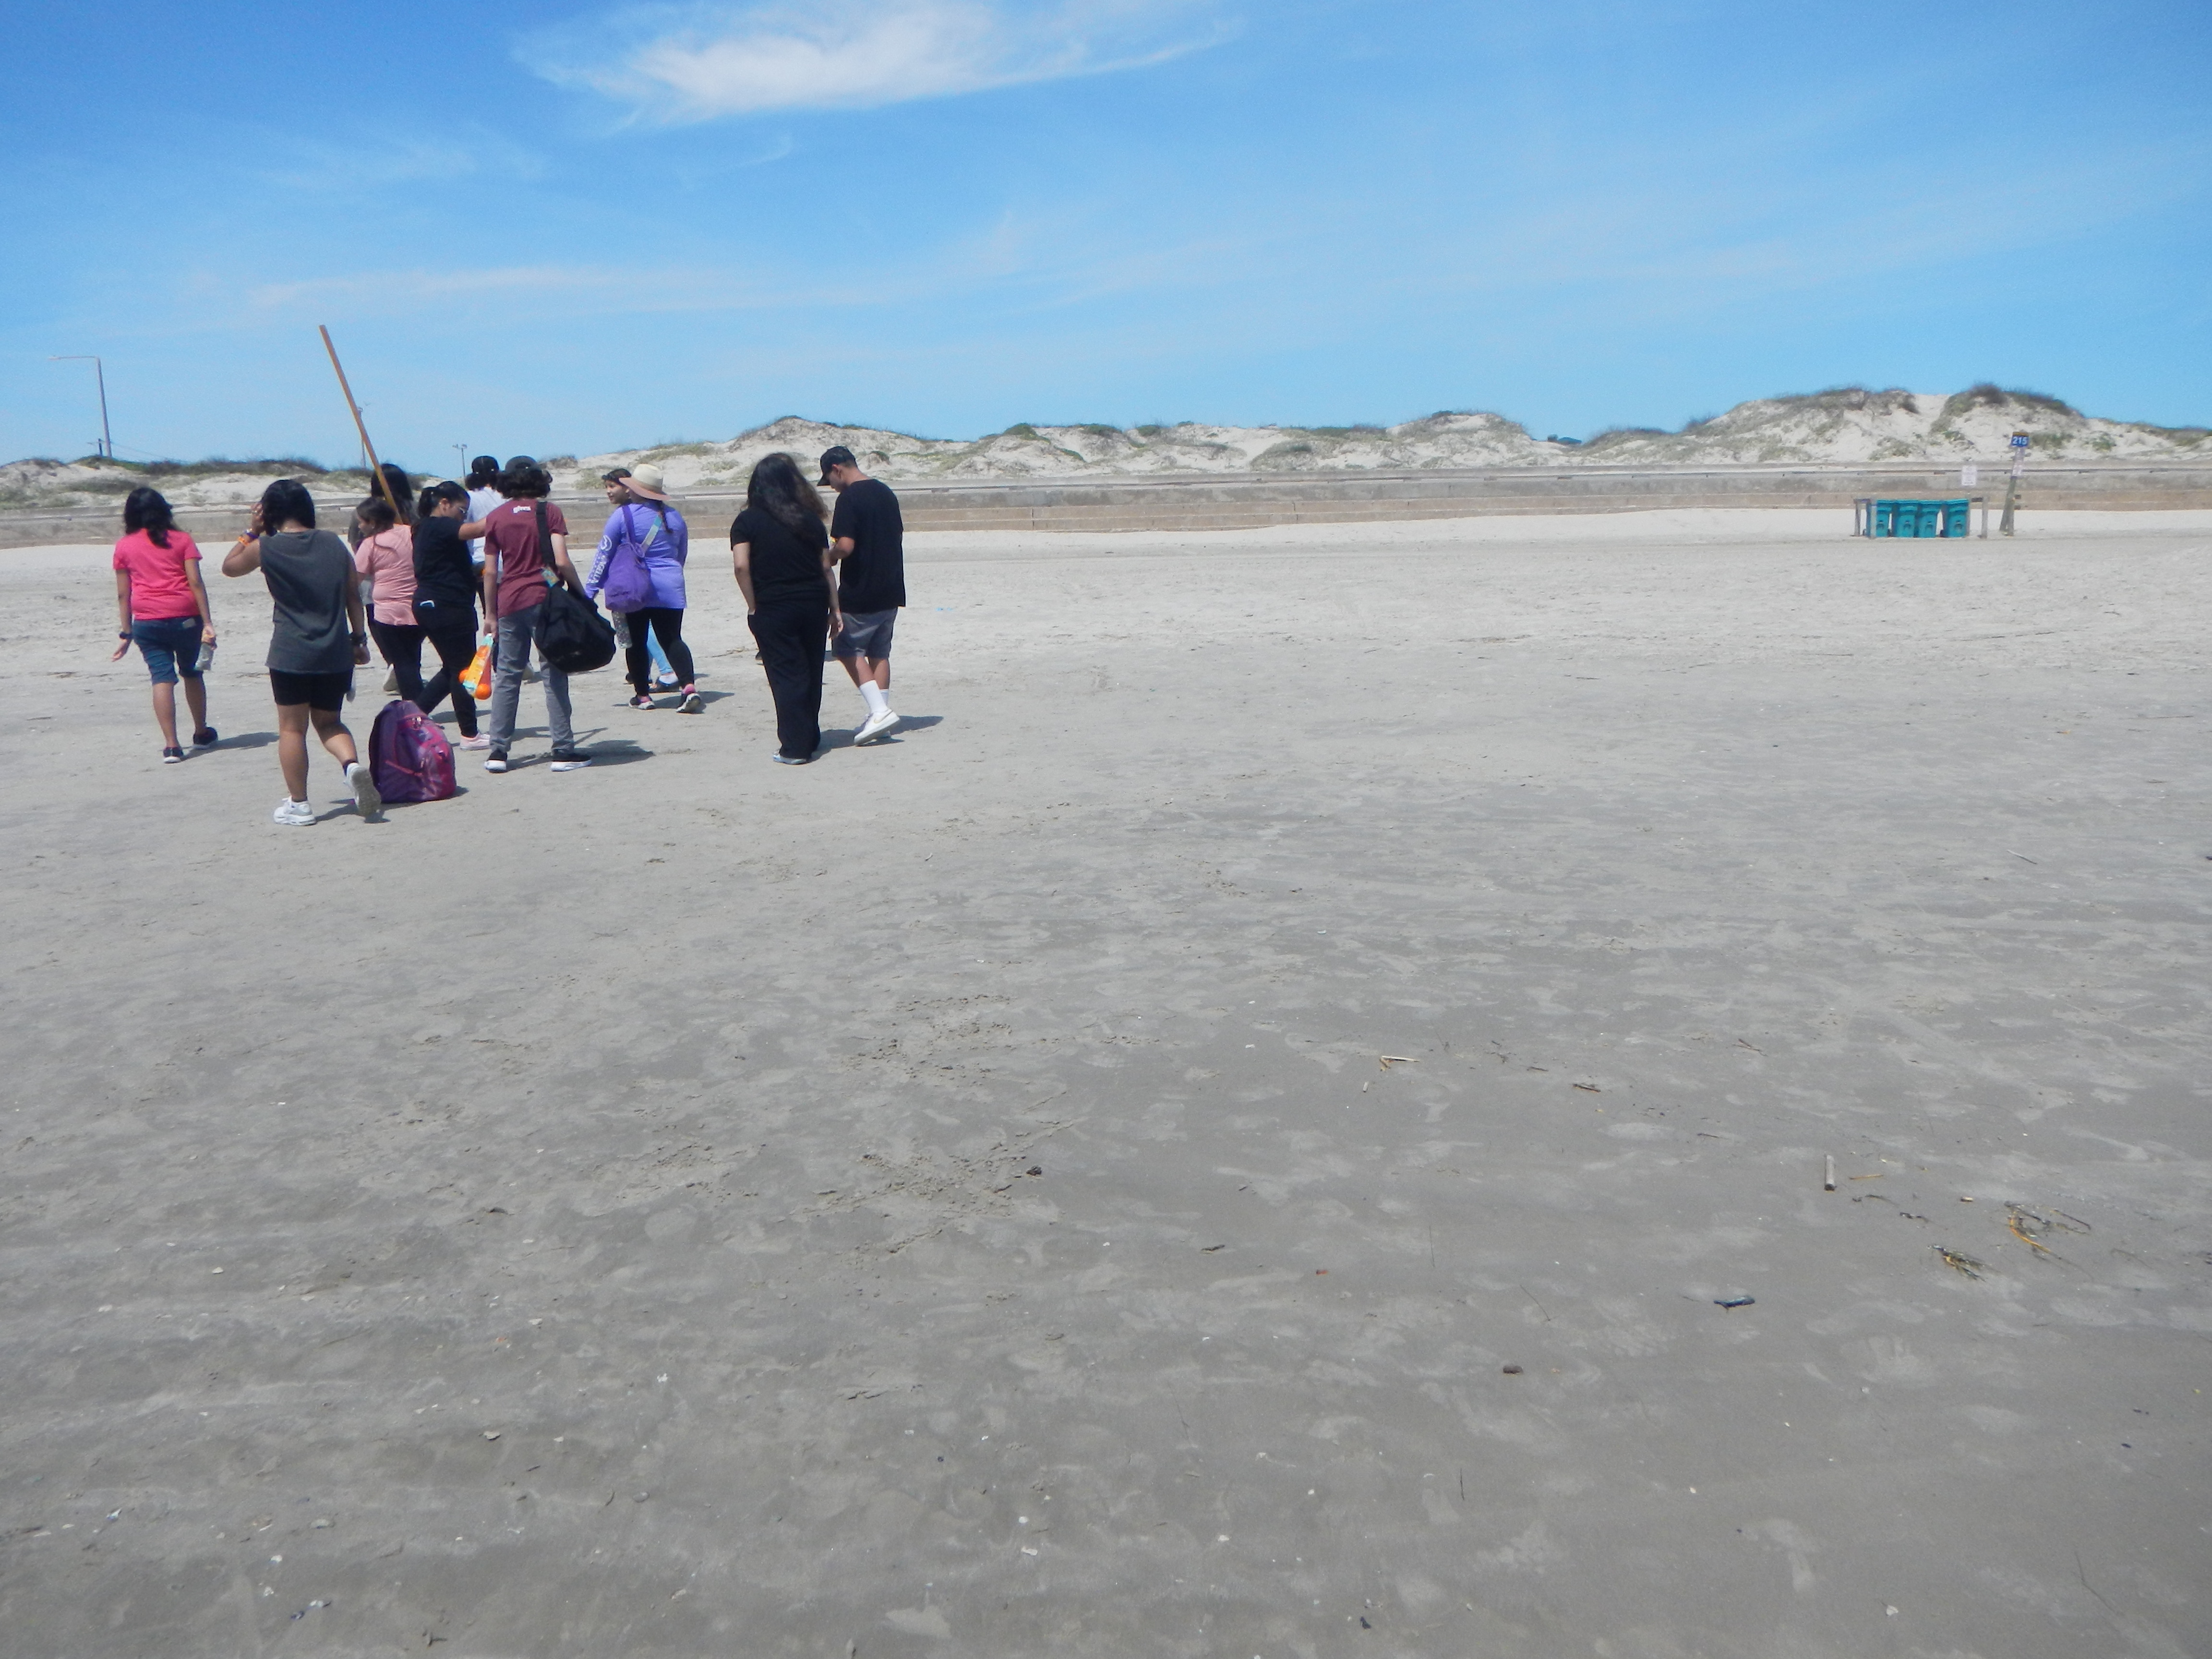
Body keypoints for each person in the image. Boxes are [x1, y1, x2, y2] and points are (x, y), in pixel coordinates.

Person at [220, 478, 382, 825]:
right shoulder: (335, 545)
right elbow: (354, 597)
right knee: (330, 722)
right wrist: (359, 640)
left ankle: (300, 803)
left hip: (291, 651)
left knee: (293, 730)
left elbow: (230, 567)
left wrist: (251, 530)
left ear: (272, 511)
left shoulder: (267, 547)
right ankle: (352, 767)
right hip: (335, 649)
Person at [479, 456, 592, 773]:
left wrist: (490, 613)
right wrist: (581, 594)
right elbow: (562, 561)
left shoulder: (496, 517)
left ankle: (498, 751)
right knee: (554, 673)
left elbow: (490, 572)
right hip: (545, 597)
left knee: (508, 675)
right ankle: (563, 748)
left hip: (509, 599)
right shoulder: (549, 512)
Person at [731, 453, 834, 764]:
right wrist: (836, 609)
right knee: (812, 668)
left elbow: (741, 567)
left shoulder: (747, 521)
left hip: (773, 605)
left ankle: (795, 747)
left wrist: (752, 605)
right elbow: (826, 568)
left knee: (786, 674)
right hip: (814, 602)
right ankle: (810, 736)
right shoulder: (810, 520)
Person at [108, 485, 217, 761]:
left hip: (146, 620)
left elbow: (124, 593)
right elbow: (195, 582)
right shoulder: (182, 540)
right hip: (185, 618)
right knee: (192, 673)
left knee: (161, 678)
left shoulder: (125, 546)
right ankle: (201, 732)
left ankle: (171, 746)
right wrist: (208, 622)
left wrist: (126, 632)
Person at [588, 463, 701, 712]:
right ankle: (689, 687)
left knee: (636, 641)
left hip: (633, 586)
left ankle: (643, 695)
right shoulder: (674, 516)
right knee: (672, 638)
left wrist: (590, 590)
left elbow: (604, 554)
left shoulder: (623, 515)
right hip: (670, 584)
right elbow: (680, 553)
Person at [820, 445, 906, 743]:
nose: (831, 487)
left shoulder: (850, 498)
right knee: (879, 652)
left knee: (846, 648)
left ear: (837, 469)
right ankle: (878, 714)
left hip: (862, 586)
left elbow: (845, 546)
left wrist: (827, 558)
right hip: (891, 584)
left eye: (829, 480)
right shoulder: (886, 492)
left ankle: (880, 711)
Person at [409, 481, 489, 747]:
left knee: (452, 668)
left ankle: (411, 717)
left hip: (436, 604)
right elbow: (478, 529)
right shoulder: (438, 525)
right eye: (461, 510)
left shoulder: (426, 529)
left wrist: (476, 573)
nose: (462, 516)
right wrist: (513, 508)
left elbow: (446, 565)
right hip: (444, 605)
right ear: (444, 504)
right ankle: (470, 733)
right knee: (464, 671)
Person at [351, 495, 422, 703]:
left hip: (389, 612)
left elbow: (355, 579)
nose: (359, 526)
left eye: (362, 521)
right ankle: (418, 706)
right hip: (417, 606)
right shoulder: (410, 532)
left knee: (403, 664)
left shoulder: (370, 544)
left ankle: (416, 710)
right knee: (413, 660)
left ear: (373, 522)